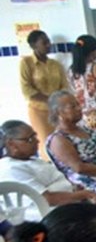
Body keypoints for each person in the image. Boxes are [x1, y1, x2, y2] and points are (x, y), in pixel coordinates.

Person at [0, 120, 96, 207]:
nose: (37, 141)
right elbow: (46, 199)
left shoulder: (30, 160)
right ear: (11, 144)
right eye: (29, 139)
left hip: (69, 204)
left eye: (34, 136)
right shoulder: (11, 169)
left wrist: (75, 189)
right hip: (53, 213)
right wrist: (84, 194)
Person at [45, 90, 96, 202]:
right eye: (73, 106)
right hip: (92, 186)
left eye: (78, 104)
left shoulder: (85, 129)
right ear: (59, 113)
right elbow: (79, 168)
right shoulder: (59, 139)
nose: (79, 108)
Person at [18, 30, 68, 159]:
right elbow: (26, 89)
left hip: (57, 110)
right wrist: (50, 100)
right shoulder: (26, 63)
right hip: (38, 110)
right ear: (34, 45)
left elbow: (64, 86)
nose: (48, 45)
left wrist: (59, 102)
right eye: (44, 43)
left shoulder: (55, 64)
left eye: (48, 42)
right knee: (45, 143)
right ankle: (48, 166)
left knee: (62, 141)